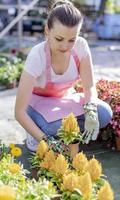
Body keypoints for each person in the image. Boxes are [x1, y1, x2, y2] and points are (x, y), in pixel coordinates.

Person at [15, 0, 112, 152]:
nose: (65, 46)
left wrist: (91, 111)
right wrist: (46, 141)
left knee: (104, 114)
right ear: (47, 30)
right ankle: (37, 134)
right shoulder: (37, 55)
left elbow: (89, 86)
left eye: (71, 40)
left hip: (63, 99)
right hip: (37, 104)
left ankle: (65, 136)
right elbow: (19, 112)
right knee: (53, 127)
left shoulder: (81, 46)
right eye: (59, 39)